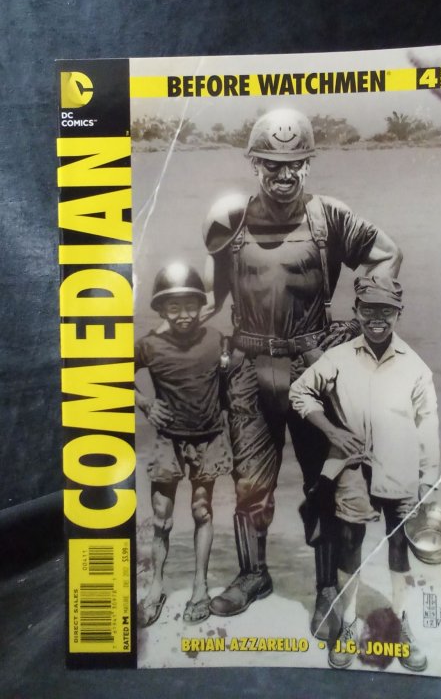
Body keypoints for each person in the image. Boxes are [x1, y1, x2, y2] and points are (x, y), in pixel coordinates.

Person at [201, 108, 402, 633]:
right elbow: (211, 289)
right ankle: (253, 575)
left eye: (295, 163)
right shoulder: (231, 220)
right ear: (254, 163)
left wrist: (364, 320)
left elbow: (386, 254)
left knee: (323, 480)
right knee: (250, 480)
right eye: (272, 164)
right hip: (247, 369)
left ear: (308, 164)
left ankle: (327, 589)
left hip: (313, 367)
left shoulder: (329, 217)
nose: (284, 174)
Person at [289, 276, 440, 671]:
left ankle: (401, 625)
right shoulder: (338, 358)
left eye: (386, 310)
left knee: (399, 545)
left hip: (401, 467)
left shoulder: (415, 366)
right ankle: (349, 623)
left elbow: (427, 423)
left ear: (399, 313)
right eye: (368, 309)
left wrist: (428, 479)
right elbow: (300, 392)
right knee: (349, 541)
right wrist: (331, 431)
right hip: (353, 467)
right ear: (355, 310)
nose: (377, 318)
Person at [135, 262, 232, 627]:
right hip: (168, 440)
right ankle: (156, 586)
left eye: (190, 305)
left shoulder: (216, 340)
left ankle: (200, 586)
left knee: (202, 511)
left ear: (201, 305)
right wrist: (146, 404)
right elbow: (109, 373)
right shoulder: (149, 346)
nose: (183, 315)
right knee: (161, 516)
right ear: (160, 309)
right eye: (173, 307)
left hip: (208, 438)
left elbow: (232, 383)